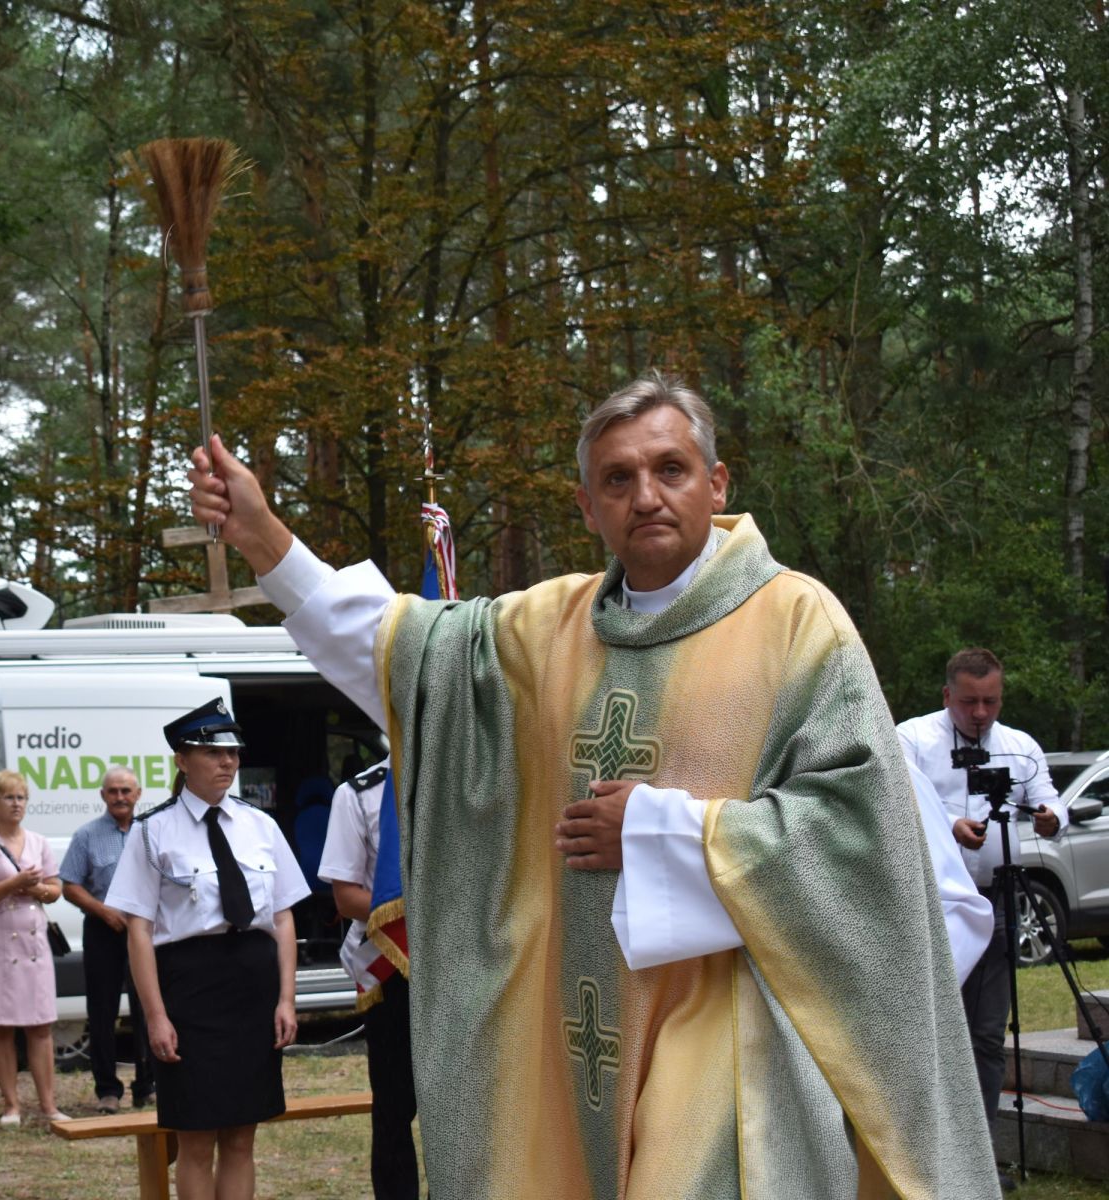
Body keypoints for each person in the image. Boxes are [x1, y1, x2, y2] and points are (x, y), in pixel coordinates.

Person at [188, 371, 999, 1198]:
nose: (645, 496)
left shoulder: (797, 623)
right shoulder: (545, 632)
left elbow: (865, 835)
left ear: (717, 483)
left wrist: (657, 831)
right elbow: (400, 655)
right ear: (587, 506)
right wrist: (264, 538)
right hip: (575, 1026)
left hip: (731, 1034)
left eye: (670, 469)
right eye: (617, 479)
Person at [104, 700, 310, 1200]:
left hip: (253, 988)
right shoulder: (153, 831)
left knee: (241, 1135)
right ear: (182, 760)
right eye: (213, 753)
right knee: (195, 1138)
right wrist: (155, 1017)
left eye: (233, 753)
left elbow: (283, 917)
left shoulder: (260, 825)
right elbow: (138, 931)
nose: (227, 762)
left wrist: (287, 999)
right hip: (189, 991)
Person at [898, 647, 1065, 1182]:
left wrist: (1051, 818)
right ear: (947, 695)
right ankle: (923, 1157)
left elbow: (1049, 799)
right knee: (926, 1030)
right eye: (969, 702)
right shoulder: (911, 740)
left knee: (988, 1034)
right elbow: (894, 804)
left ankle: (981, 1160)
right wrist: (949, 825)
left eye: (991, 701)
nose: (980, 713)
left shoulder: (1019, 746)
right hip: (931, 903)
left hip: (997, 898)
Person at [318, 761, 418, 1200]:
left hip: (461, 965)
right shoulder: (358, 794)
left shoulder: (466, 777)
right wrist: (428, 916)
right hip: (392, 968)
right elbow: (346, 896)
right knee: (394, 1110)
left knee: (462, 1107)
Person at [0, 769, 65, 1125]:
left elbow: (55, 890)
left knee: (40, 1025)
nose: (16, 804)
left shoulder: (38, 842)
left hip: (33, 941)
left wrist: (36, 889)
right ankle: (11, 1105)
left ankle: (49, 1105)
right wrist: (12, 884)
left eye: (21, 797)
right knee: (1, 1025)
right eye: (9, 797)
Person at [58, 765, 155, 1114]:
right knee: (102, 1013)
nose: (120, 797)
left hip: (143, 931)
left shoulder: (150, 832)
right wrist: (103, 911)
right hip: (103, 930)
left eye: (126, 791)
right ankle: (108, 1091)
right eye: (113, 791)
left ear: (138, 794)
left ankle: (148, 1086)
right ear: (103, 796)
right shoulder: (86, 835)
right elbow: (69, 885)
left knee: (149, 1008)